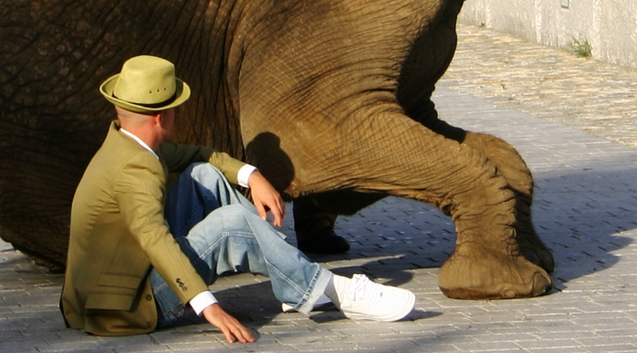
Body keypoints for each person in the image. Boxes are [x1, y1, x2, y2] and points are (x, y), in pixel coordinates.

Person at [61, 55, 414, 340]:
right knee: (231, 225)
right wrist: (207, 307)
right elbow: (155, 239)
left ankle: (289, 273)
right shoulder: (134, 171)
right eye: (176, 108)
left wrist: (252, 175)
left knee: (204, 174)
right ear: (160, 117)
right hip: (128, 307)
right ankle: (328, 289)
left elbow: (198, 155)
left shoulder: (126, 144)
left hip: (108, 288)